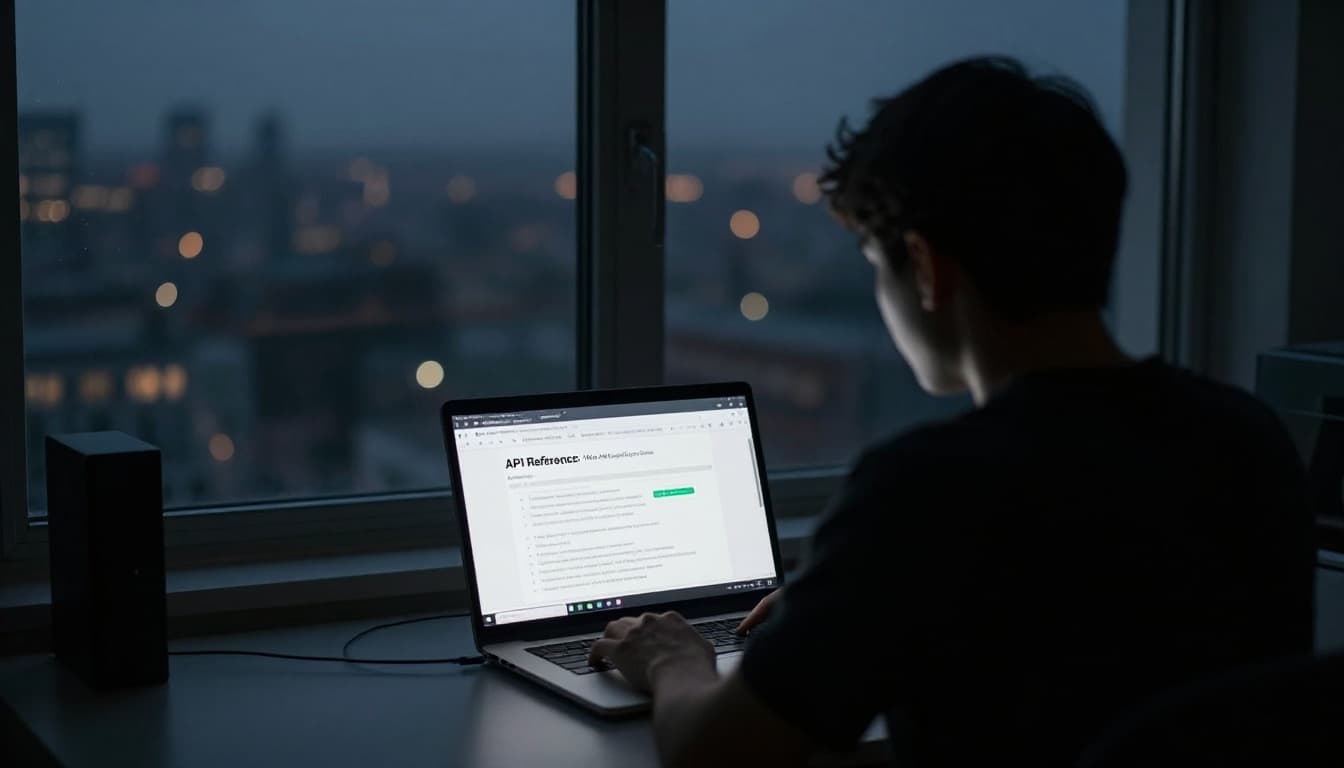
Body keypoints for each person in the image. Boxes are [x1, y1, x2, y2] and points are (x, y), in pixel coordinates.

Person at [587, 56, 1315, 766]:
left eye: (877, 265)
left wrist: (671, 659)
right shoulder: (1247, 438)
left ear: (928, 268)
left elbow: (709, 751)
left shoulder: (926, 491)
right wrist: (836, 612)